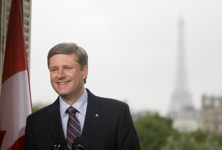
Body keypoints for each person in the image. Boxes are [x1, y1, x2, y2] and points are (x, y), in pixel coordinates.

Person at [24, 43, 140, 150]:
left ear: (84, 71)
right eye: (54, 69)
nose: (60, 75)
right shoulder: (35, 123)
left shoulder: (116, 113)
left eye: (67, 68)